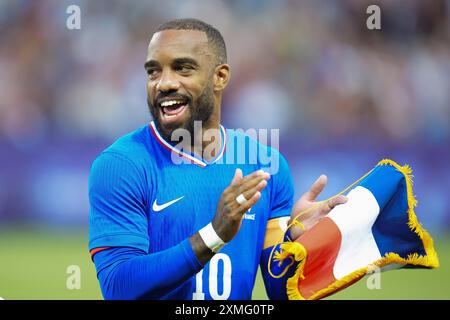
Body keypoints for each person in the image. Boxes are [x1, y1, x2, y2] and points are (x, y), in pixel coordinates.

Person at [88, 18, 347, 300]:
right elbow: (118, 288)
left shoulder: (265, 166)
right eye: (153, 72)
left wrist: (299, 243)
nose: (163, 83)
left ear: (220, 77)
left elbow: (281, 291)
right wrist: (214, 235)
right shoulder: (121, 165)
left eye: (182, 68)